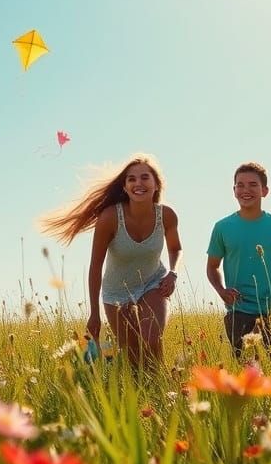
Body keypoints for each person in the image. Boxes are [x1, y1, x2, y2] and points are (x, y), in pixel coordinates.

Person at [42, 155, 181, 370]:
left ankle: (162, 389)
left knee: (152, 340)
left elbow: (175, 248)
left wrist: (172, 273)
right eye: (131, 179)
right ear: (124, 188)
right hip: (117, 292)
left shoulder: (167, 215)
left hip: (153, 282)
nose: (138, 184)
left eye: (145, 178)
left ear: (156, 184)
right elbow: (95, 266)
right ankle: (140, 394)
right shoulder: (110, 218)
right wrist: (94, 313)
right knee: (133, 358)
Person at [206, 162, 271, 356]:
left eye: (252, 185)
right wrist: (221, 290)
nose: (245, 190)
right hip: (237, 310)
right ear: (234, 190)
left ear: (264, 191)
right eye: (240, 185)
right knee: (244, 370)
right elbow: (212, 266)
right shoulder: (222, 227)